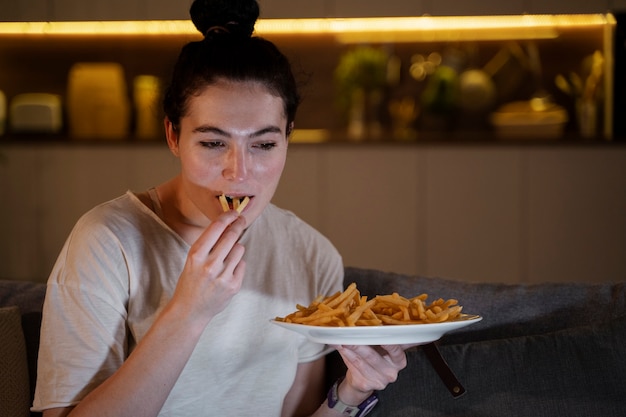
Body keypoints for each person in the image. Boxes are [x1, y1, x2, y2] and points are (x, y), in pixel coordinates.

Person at [32, 1, 409, 416]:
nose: (239, 171)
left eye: (264, 144)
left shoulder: (310, 252)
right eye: (213, 143)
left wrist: (353, 391)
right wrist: (190, 312)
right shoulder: (105, 242)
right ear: (173, 136)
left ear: (288, 137)